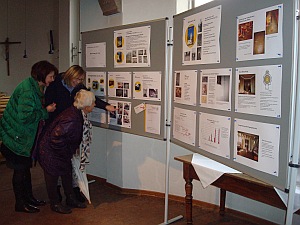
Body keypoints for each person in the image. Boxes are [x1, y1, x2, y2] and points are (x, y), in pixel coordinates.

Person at [44, 65, 116, 202]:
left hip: (68, 126)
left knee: (70, 164)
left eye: (80, 80)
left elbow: (91, 99)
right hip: (57, 127)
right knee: (59, 165)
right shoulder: (55, 85)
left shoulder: (79, 89)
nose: (78, 82)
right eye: (76, 79)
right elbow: (48, 106)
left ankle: (73, 192)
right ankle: (58, 194)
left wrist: (106, 106)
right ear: (70, 76)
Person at [0, 60, 57, 213]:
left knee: (25, 170)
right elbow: (25, 117)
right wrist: (46, 111)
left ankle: (29, 198)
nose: (52, 79)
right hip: (15, 138)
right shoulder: (27, 90)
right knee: (20, 171)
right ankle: (20, 203)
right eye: (51, 76)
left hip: (20, 136)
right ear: (42, 75)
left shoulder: (34, 86)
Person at [38, 90, 95, 214]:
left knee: (66, 174)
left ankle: (70, 199)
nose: (95, 105)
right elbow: (55, 138)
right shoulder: (72, 119)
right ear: (86, 106)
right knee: (52, 178)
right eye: (93, 103)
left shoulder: (76, 112)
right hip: (51, 151)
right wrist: (65, 153)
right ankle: (55, 203)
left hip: (60, 151)